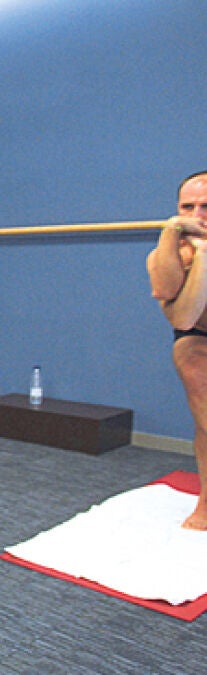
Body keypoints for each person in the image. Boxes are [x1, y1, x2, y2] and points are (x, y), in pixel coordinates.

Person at [147, 170, 207, 530]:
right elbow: (183, 317)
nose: (197, 215)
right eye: (187, 207)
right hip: (198, 337)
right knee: (197, 379)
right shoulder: (168, 255)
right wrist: (201, 253)